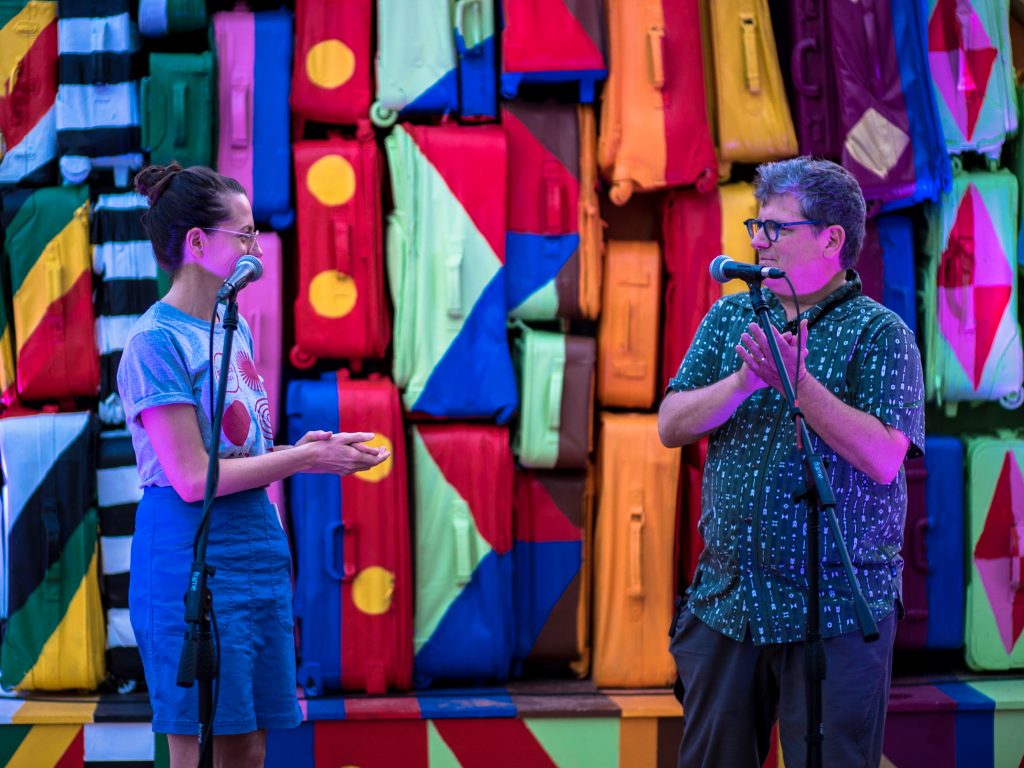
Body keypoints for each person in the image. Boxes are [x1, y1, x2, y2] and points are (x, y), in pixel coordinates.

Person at [118, 163, 390, 768]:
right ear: (196, 242)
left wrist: (300, 449)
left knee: (250, 743)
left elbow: (236, 454)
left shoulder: (228, 330)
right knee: (200, 738)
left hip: (253, 545)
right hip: (191, 553)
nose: (254, 247)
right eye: (242, 235)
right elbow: (191, 477)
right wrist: (301, 459)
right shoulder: (154, 343)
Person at [658, 157, 924, 768]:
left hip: (832, 609)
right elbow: (671, 424)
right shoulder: (732, 315)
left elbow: (886, 458)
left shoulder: (879, 334)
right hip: (729, 602)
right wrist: (743, 385)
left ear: (832, 239)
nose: (756, 241)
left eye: (776, 229)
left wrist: (800, 385)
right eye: (756, 226)